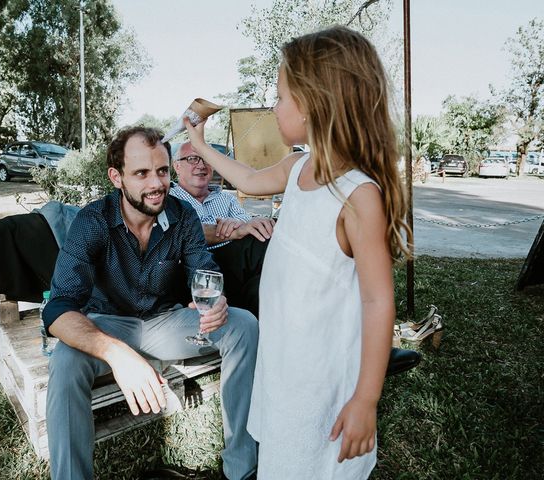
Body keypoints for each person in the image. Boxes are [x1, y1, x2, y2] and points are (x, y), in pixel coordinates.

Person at [185, 26, 412, 479]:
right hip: (283, 362)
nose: (273, 106)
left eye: (281, 97)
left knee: (311, 465)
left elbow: (377, 301)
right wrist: (200, 146)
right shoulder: (297, 167)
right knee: (281, 458)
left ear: (314, 105)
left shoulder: (357, 196)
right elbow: (247, 179)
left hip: (321, 380)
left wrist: (366, 399)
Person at [42, 126, 258, 480]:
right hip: (106, 324)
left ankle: (241, 469)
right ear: (117, 177)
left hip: (164, 321)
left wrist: (214, 301)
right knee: (65, 361)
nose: (156, 183)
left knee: (244, 325)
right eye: (141, 173)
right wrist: (117, 355)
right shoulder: (92, 221)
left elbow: (202, 272)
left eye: (161, 171)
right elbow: (58, 308)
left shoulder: (182, 215)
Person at [170, 141, 274, 317]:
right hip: (193, 266)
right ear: (177, 166)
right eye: (193, 159)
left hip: (234, 267)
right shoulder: (168, 198)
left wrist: (244, 225)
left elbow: (247, 224)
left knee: (264, 241)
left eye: (206, 160)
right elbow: (179, 233)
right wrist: (230, 230)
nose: (201, 165)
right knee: (257, 244)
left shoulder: (226, 199)